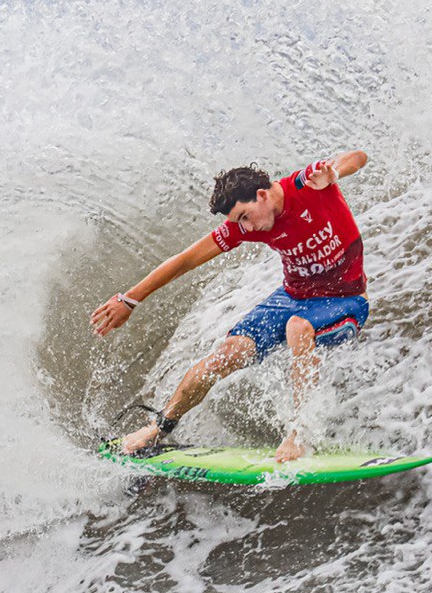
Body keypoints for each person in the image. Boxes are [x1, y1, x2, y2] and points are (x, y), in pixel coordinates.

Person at [89, 151, 370, 463]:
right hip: (291, 298)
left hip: (345, 300)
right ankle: (158, 428)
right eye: (238, 222)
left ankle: (299, 435)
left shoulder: (307, 185)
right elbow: (185, 260)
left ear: (262, 195)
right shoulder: (245, 223)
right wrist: (129, 300)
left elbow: (358, 157)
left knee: (297, 327)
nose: (245, 228)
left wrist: (333, 174)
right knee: (226, 354)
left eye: (245, 217)